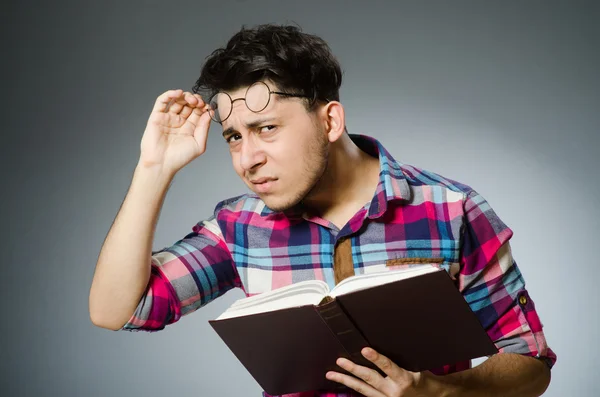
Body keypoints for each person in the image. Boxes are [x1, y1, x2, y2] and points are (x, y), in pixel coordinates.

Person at [89, 24, 556, 397]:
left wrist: (437, 394)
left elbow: (529, 363)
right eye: (234, 137)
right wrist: (153, 168)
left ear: (330, 120)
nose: (246, 159)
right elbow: (117, 309)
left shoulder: (451, 209)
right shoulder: (239, 228)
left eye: (266, 128)